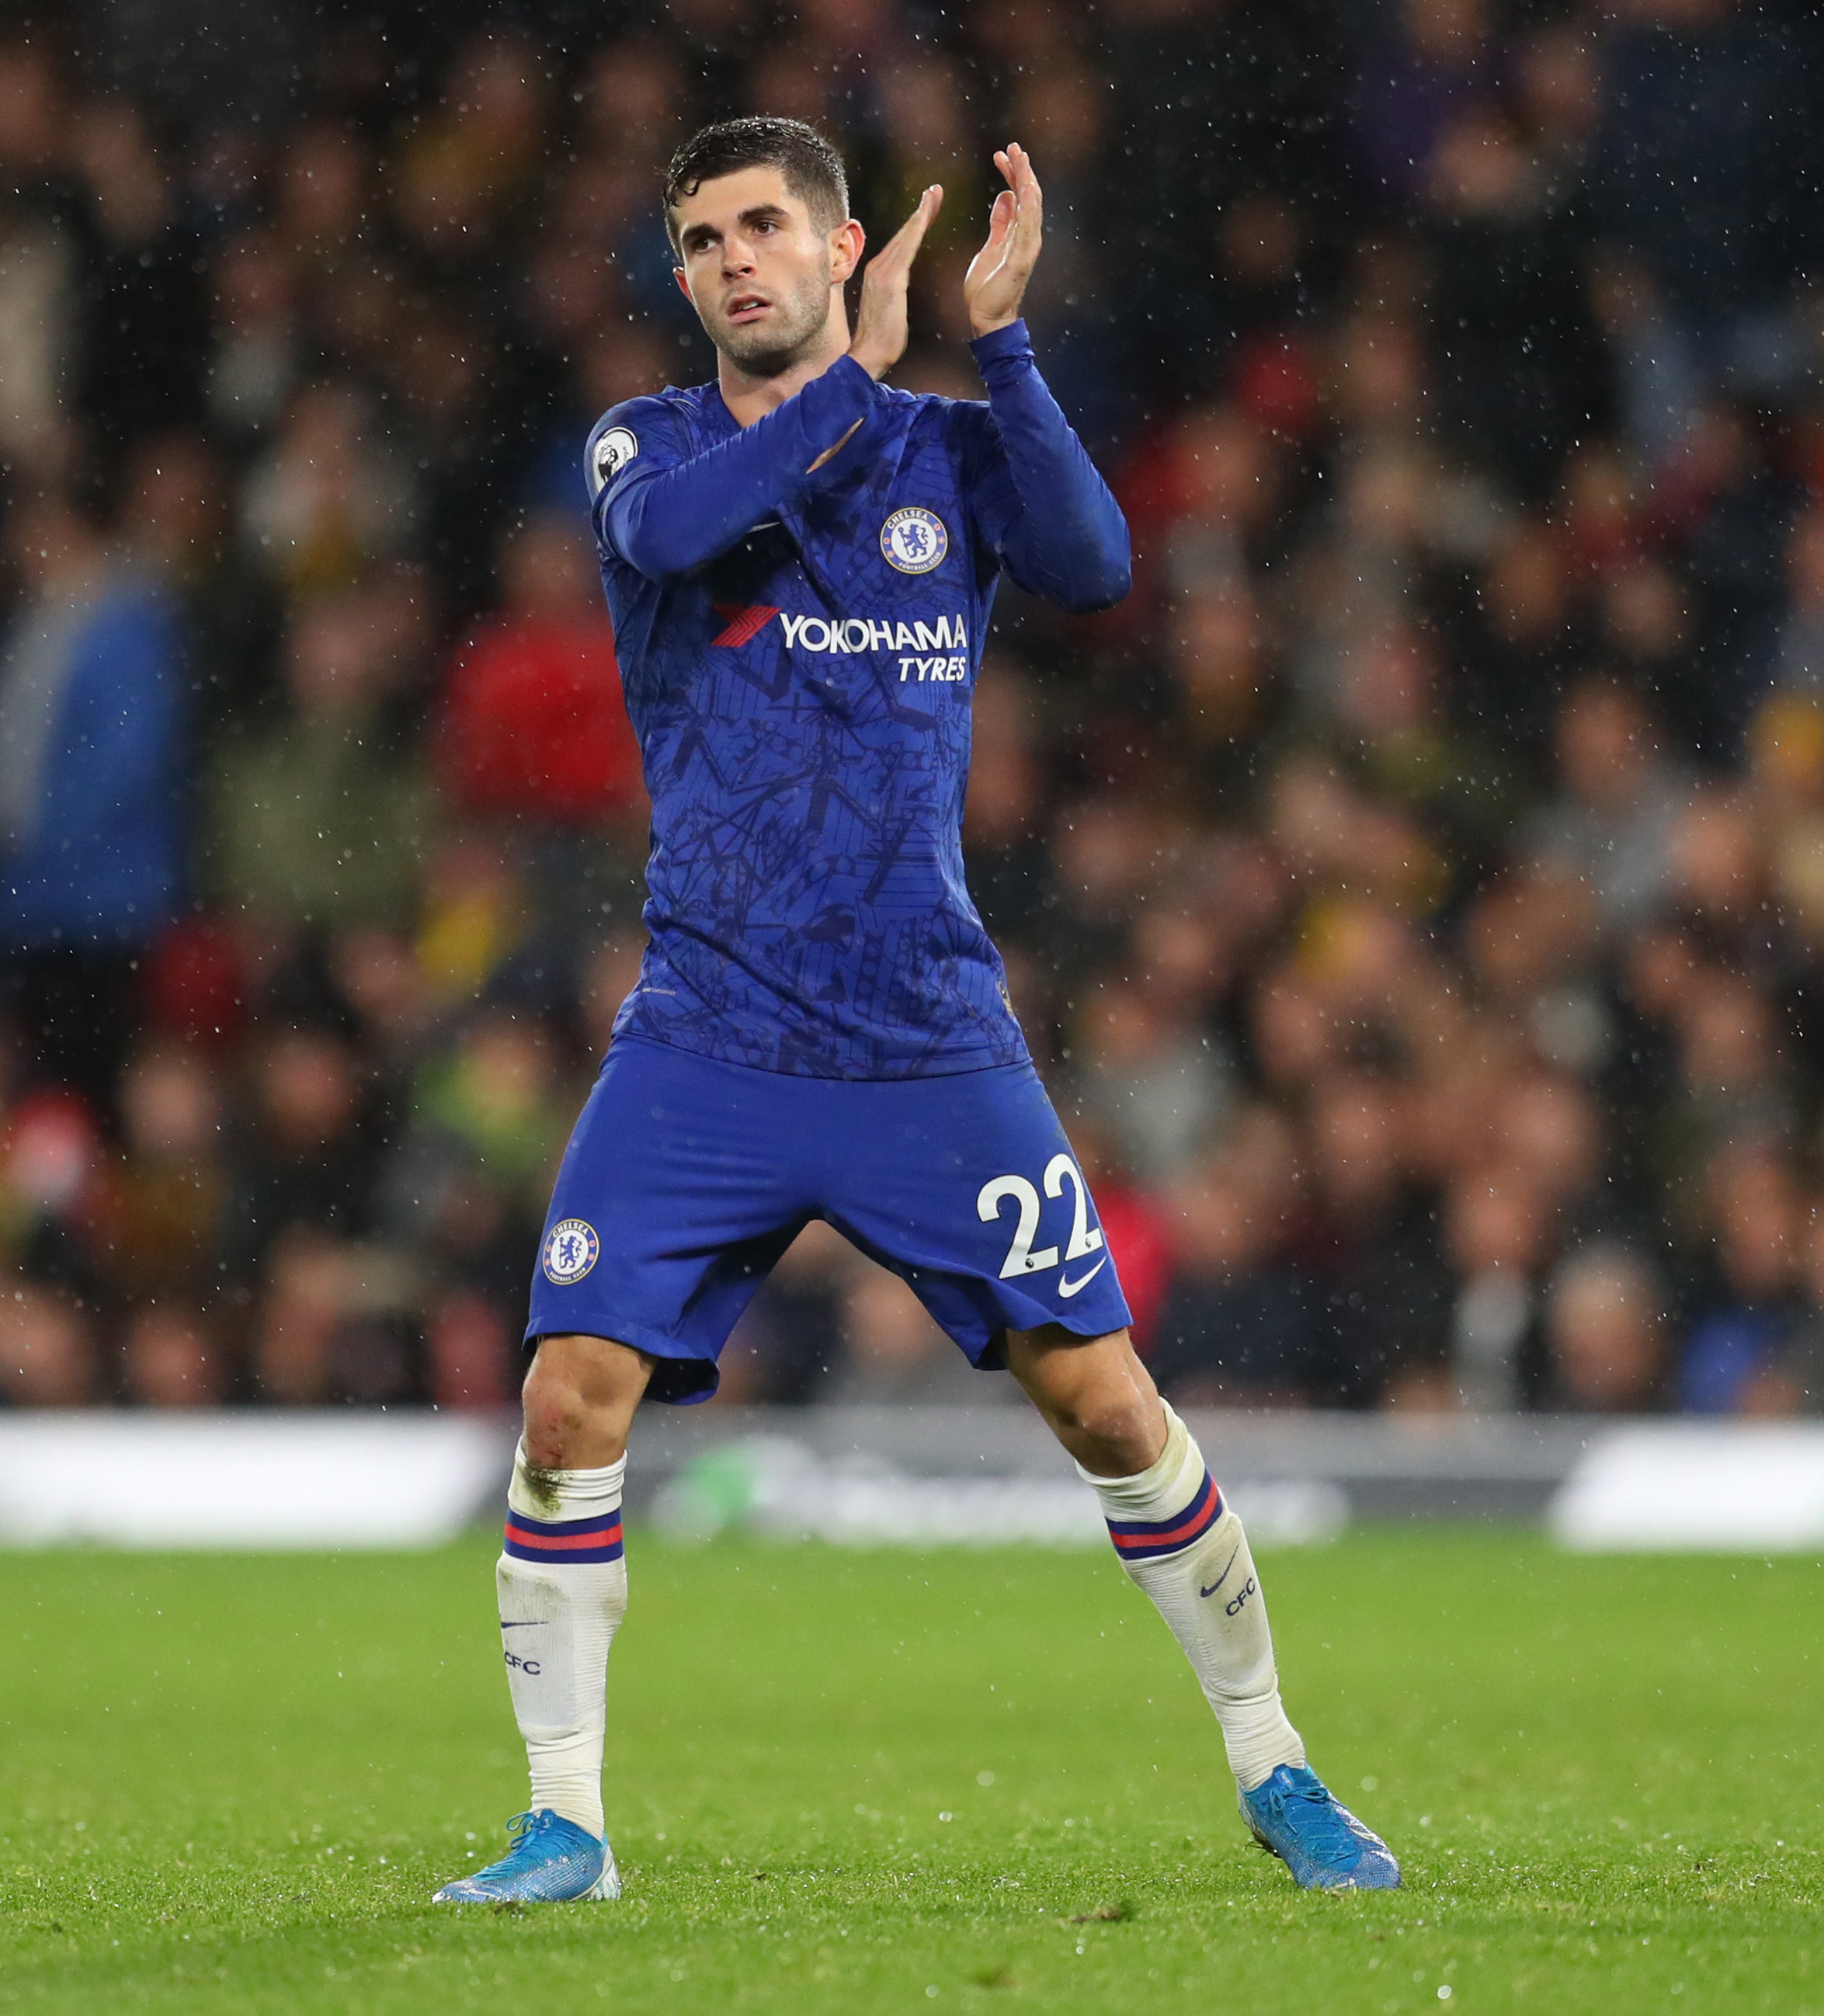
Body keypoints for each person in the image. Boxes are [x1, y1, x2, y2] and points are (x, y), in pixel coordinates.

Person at [436, 117, 1396, 1907]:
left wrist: (1002, 343)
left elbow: (1099, 566)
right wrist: (854, 380)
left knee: (1109, 1407)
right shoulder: (639, 446)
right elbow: (685, 525)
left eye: (764, 229)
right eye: (704, 239)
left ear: (840, 241)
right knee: (571, 1396)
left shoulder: (944, 451)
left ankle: (1277, 1761)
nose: (734, 261)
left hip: (924, 1038)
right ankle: (564, 1820)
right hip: (709, 1031)